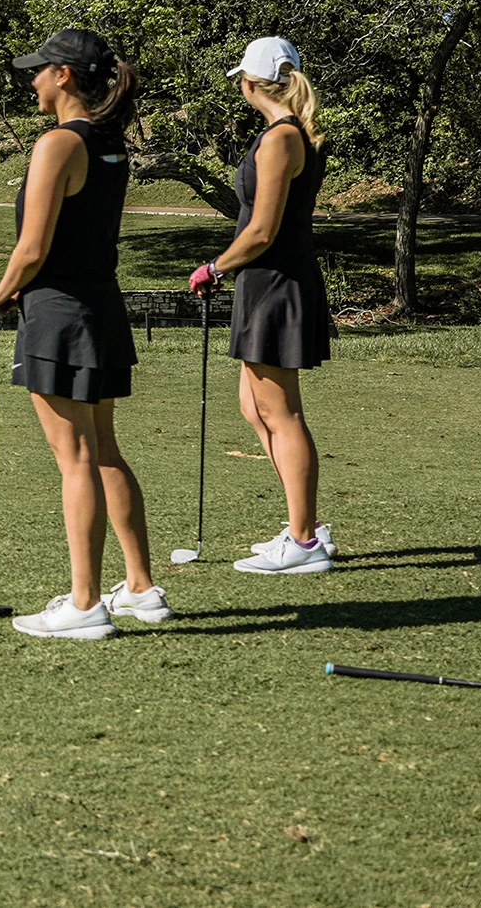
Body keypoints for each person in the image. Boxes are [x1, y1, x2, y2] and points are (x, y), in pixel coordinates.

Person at [0, 28, 170, 639]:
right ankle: (139, 587)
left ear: (63, 76)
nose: (31, 80)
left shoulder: (58, 144)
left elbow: (33, 248)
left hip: (58, 315)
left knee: (76, 458)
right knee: (103, 450)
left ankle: (86, 605)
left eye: (38, 71)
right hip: (99, 309)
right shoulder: (109, 144)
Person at [189, 37, 334, 573]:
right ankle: (306, 525)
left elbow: (261, 230)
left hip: (275, 283)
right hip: (266, 283)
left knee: (281, 411)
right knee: (255, 407)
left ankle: (304, 541)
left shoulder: (281, 139)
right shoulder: (291, 133)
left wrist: (214, 267)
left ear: (249, 84)